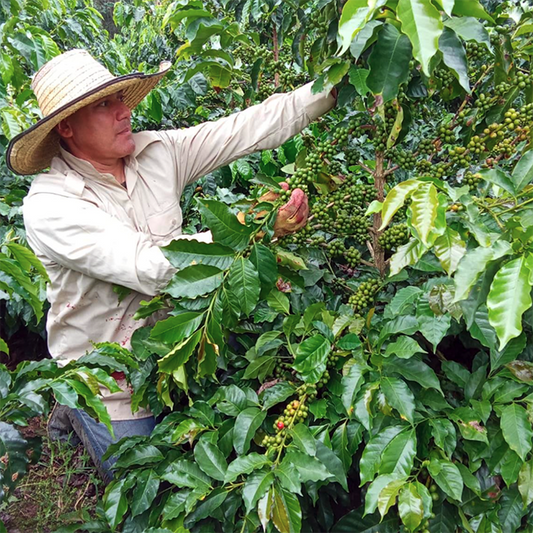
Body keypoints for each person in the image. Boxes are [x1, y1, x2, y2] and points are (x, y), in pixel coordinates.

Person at [6, 49, 336, 482]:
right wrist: (252, 227)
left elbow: (245, 128)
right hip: (112, 381)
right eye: (104, 104)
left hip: (175, 347)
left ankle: (74, 418)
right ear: (66, 127)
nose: (125, 112)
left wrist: (340, 85)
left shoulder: (157, 153)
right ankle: (74, 403)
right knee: (150, 489)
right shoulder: (51, 206)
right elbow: (150, 265)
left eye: (120, 97)